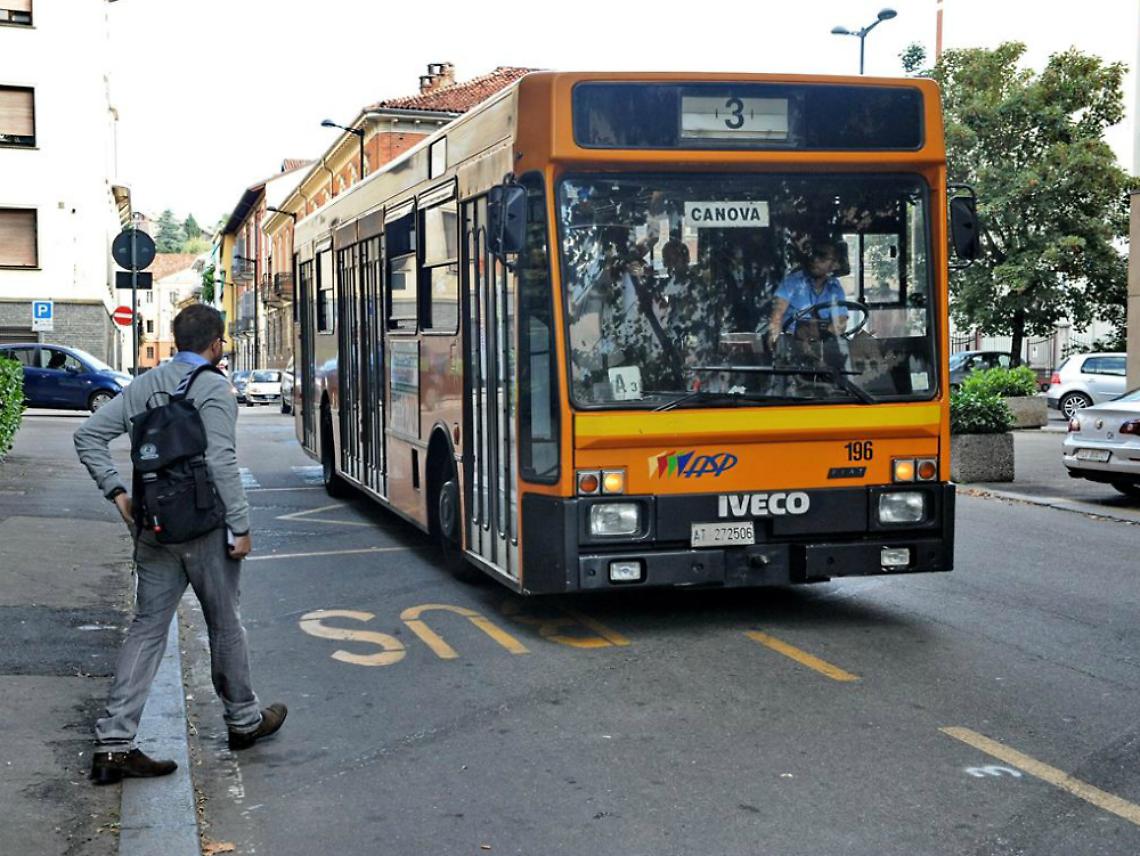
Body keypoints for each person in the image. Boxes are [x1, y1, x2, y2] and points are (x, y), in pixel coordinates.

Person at [74, 304, 285, 785]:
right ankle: (244, 722)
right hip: (206, 527)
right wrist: (241, 525)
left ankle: (113, 745)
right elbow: (221, 462)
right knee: (225, 623)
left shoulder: (143, 385)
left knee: (147, 628)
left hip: (154, 526)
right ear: (216, 344)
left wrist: (119, 493)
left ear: (174, 342)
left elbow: (89, 436)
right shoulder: (214, 387)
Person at [767, 240, 849, 348]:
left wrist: (820, 343)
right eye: (814, 254)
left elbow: (840, 322)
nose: (815, 259)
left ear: (835, 265)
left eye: (822, 256)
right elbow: (777, 316)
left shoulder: (835, 288)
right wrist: (775, 342)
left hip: (821, 349)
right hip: (792, 348)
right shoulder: (792, 282)